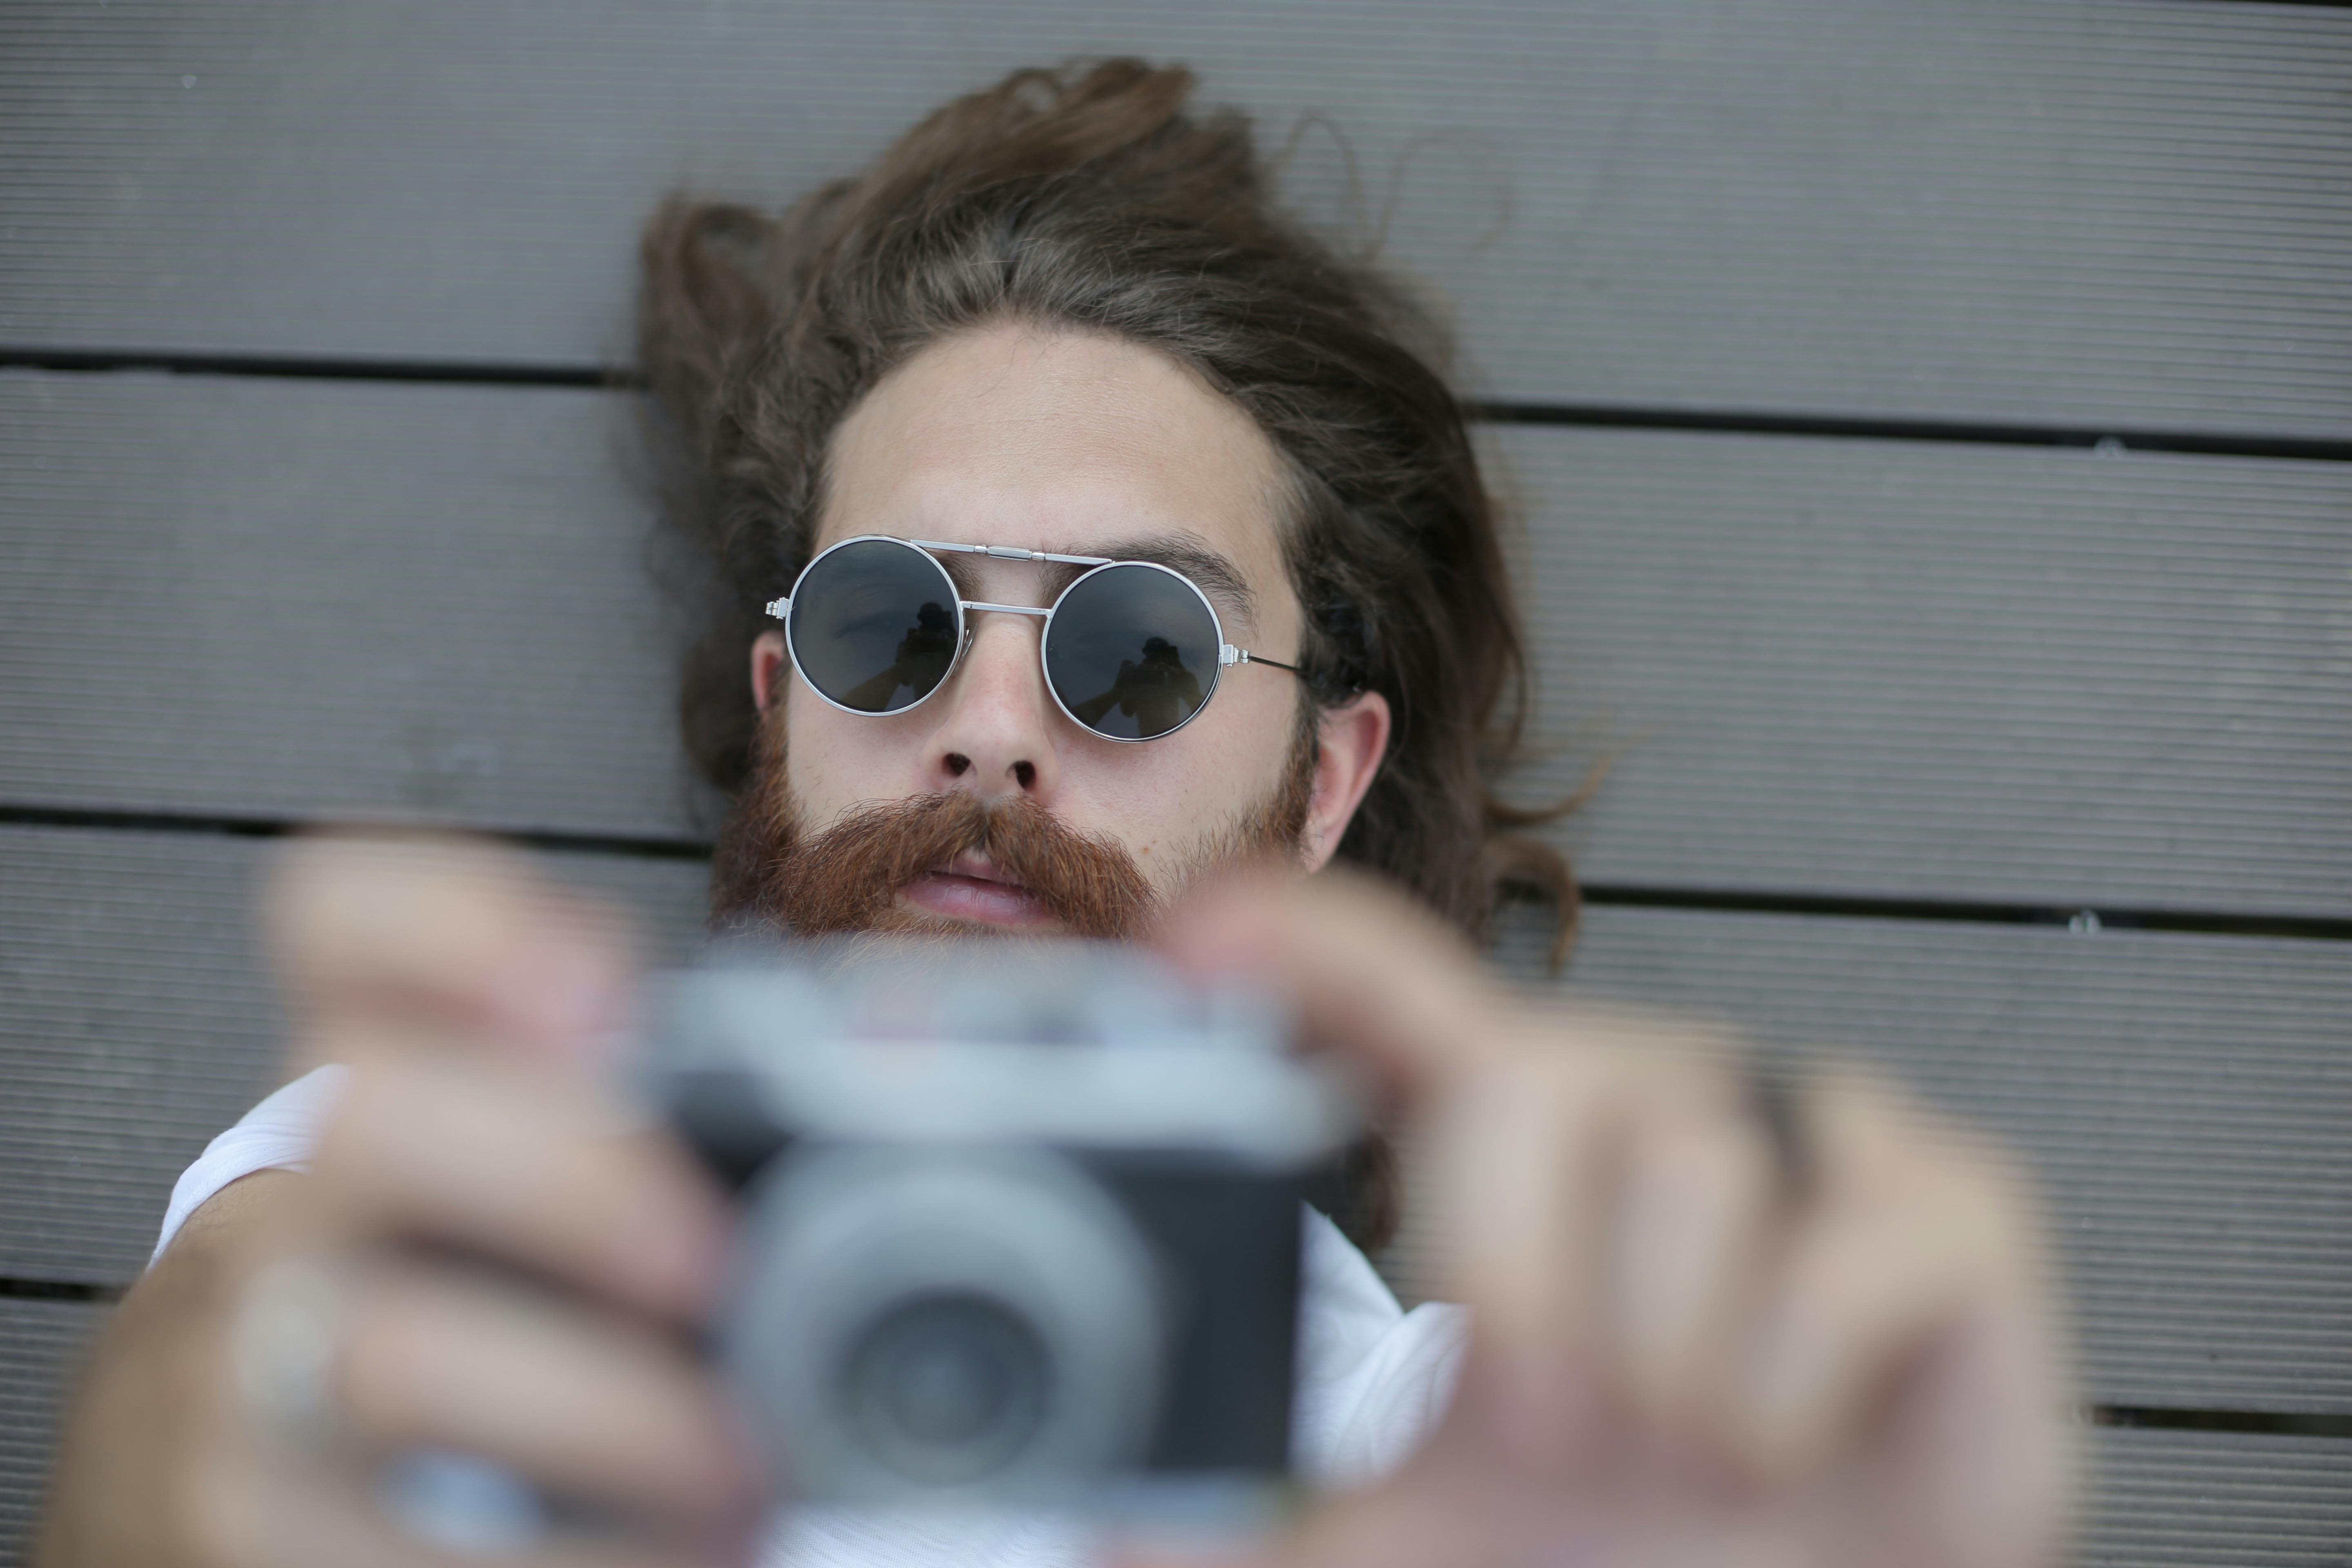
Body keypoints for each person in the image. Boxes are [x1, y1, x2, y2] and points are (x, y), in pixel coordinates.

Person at [36, 59, 2071, 1568]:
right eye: (884, 625)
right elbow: (205, 1400)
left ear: (1322, 788)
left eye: (1138, 654)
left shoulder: (1443, 1444)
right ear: (781, 714)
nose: (993, 731)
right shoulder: (444, 1198)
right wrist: (248, 1436)